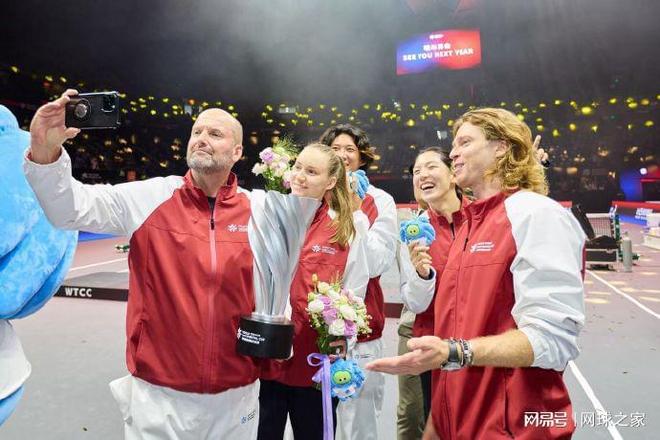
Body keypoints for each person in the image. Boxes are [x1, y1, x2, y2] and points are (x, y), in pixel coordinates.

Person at [25, 90, 263, 439]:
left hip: (236, 395)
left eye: (215, 134)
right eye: (196, 132)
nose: (201, 139)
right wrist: (45, 152)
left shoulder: (260, 210)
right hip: (159, 394)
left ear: (237, 152)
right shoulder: (150, 197)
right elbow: (69, 209)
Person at [368, 108, 586, 439]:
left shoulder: (536, 214)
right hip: (458, 423)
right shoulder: (469, 228)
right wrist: (437, 424)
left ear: (501, 147)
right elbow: (456, 333)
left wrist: (456, 352)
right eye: (454, 145)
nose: (454, 152)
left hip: (513, 428)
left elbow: (552, 340)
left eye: (465, 142)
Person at [257, 143, 370, 440]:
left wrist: (342, 343)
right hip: (266, 362)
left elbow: (355, 296)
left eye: (311, 171)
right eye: (297, 167)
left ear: (330, 181)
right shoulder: (268, 217)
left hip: (315, 365)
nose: (300, 176)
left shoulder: (345, 230)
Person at [320, 124, 398, 440]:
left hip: (362, 332)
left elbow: (377, 262)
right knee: (317, 422)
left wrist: (355, 210)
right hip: (315, 333)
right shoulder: (314, 196)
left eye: (349, 149)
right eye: (335, 149)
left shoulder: (379, 201)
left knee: (361, 426)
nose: (342, 155)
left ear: (362, 158)